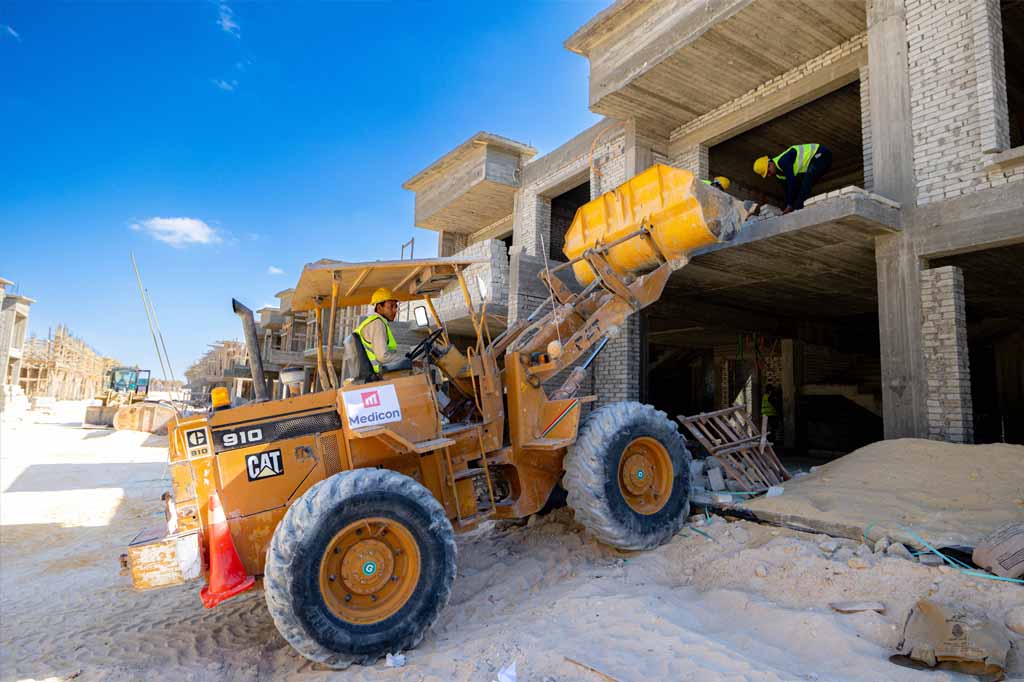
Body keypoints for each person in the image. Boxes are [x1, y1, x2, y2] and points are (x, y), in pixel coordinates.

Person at [753, 144, 832, 213]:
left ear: (770, 164)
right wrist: (787, 206)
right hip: (814, 162)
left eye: (768, 172)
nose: (769, 175)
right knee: (800, 185)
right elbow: (787, 191)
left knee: (807, 179)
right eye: (767, 175)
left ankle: (799, 207)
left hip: (821, 154)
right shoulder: (779, 175)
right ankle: (798, 207)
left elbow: (792, 182)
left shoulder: (783, 161)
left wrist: (790, 205)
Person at [354, 287, 401, 373]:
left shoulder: (374, 322)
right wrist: (403, 359)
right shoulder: (377, 324)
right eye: (391, 306)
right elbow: (382, 357)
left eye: (395, 307)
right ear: (379, 308)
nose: (395, 310)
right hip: (376, 374)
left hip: (372, 373)